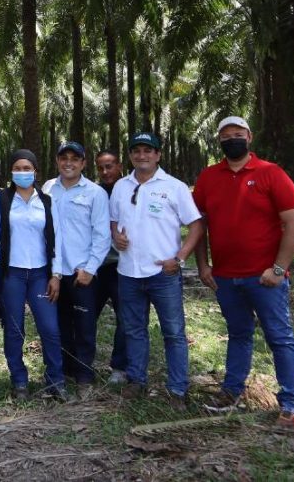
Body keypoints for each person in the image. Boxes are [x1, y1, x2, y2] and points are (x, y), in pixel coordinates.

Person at [194, 116, 294, 427]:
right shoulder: (208, 177)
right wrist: (203, 265)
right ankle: (232, 392)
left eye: (238, 134)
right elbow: (199, 224)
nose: (233, 139)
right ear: (219, 141)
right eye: (226, 135)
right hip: (226, 277)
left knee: (280, 337)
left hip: (264, 277)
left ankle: (292, 404)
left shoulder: (271, 173)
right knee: (239, 334)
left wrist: (279, 268)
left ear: (249, 137)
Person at [109, 133, 204, 409]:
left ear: (158, 155)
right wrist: (116, 236)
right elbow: (114, 221)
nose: (142, 156)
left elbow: (196, 225)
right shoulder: (120, 187)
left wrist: (180, 257)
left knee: (173, 332)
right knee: (134, 329)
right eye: (136, 151)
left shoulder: (174, 187)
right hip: (128, 272)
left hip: (163, 273)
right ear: (130, 156)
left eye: (148, 151)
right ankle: (137, 380)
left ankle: (177, 390)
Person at [0, 149, 69, 401]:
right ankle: (19, 381)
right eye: (18, 168)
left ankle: (56, 380)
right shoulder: (2, 198)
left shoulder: (47, 200)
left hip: (41, 274)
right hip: (11, 273)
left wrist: (56, 274)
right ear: (11, 171)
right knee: (14, 329)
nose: (22, 173)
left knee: (50, 328)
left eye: (27, 168)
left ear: (35, 171)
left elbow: (57, 239)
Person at [41, 142, 110, 390]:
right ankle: (64, 371)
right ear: (57, 161)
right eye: (64, 158)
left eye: (75, 158)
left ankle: (84, 376)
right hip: (55, 273)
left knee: (84, 326)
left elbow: (102, 235)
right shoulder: (48, 189)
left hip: (82, 273)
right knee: (58, 324)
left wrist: (90, 268)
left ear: (83, 163)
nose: (68, 162)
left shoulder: (95, 193)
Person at [93, 150, 127, 383]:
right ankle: (80, 363)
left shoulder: (130, 189)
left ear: (120, 166)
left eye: (110, 166)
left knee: (125, 318)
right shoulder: (93, 193)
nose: (106, 172)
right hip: (96, 266)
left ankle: (120, 367)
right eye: (101, 168)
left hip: (122, 266)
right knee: (85, 316)